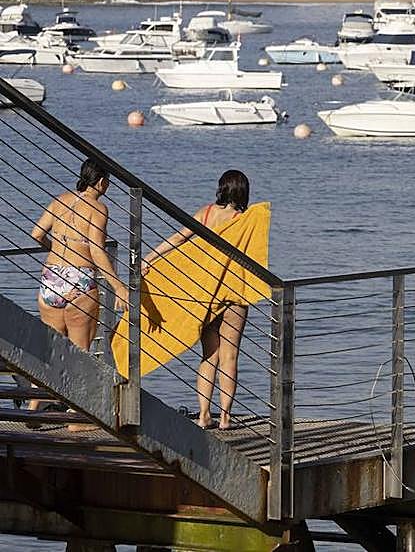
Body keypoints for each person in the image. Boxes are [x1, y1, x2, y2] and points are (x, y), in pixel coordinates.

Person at [144, 170, 251, 430]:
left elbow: (178, 238)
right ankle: (225, 417)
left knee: (209, 355)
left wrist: (150, 258)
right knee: (230, 356)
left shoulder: (205, 214)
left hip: (206, 294)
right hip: (234, 295)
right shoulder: (246, 220)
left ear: (221, 189)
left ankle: (204, 414)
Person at [29, 157, 129, 431]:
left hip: (51, 278)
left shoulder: (59, 200)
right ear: (100, 182)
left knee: (52, 349)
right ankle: (76, 417)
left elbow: (37, 233)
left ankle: (33, 410)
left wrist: (55, 250)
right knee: (80, 353)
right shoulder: (98, 208)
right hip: (78, 281)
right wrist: (118, 285)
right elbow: (96, 249)